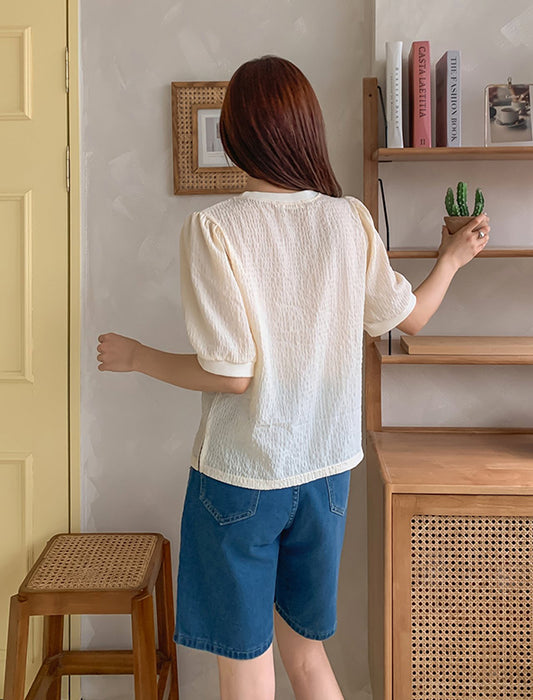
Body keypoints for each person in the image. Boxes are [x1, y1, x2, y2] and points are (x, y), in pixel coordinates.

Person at [96, 55, 490, 700]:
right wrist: (451, 258)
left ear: (235, 135)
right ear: (306, 129)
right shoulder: (350, 218)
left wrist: (140, 356)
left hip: (244, 477)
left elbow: (230, 375)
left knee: (247, 667)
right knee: (307, 659)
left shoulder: (216, 227)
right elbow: (411, 319)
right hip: (327, 476)